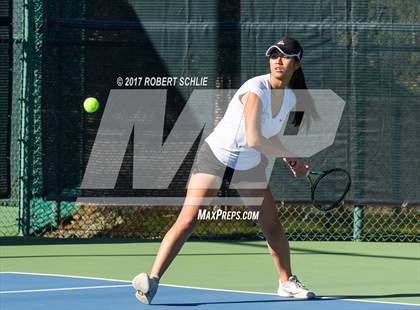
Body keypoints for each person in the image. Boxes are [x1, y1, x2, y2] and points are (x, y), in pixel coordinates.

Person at [132, 36, 316, 304]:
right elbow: (254, 138)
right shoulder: (256, 89)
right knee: (189, 219)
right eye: (274, 55)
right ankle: (153, 281)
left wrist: (291, 158)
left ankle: (286, 282)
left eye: (285, 56)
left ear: (296, 64)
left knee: (272, 225)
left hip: (249, 165)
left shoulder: (288, 98)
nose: (278, 60)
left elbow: (269, 136)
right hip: (216, 157)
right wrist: (288, 154)